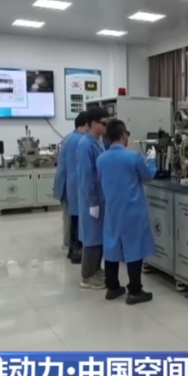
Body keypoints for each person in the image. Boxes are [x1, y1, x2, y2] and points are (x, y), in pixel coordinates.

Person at [96, 119, 158, 304]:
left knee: (111, 246)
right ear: (123, 135)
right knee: (134, 248)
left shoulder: (101, 159)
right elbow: (147, 176)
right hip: (132, 210)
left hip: (112, 210)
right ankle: (135, 291)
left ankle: (112, 287)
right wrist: (152, 160)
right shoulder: (132, 157)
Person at [77, 107, 111, 289]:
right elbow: (87, 176)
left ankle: (96, 270)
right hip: (92, 199)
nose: (107, 126)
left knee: (99, 237)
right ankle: (87, 276)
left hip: (101, 197)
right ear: (93, 124)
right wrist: (93, 202)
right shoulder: (85, 145)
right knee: (91, 238)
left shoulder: (99, 142)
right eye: (104, 123)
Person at [53, 112, 88, 264]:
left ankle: (71, 248)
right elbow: (78, 169)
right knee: (75, 220)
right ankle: (75, 251)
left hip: (66, 184)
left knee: (70, 219)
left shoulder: (69, 137)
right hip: (73, 186)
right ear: (87, 124)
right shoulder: (80, 141)